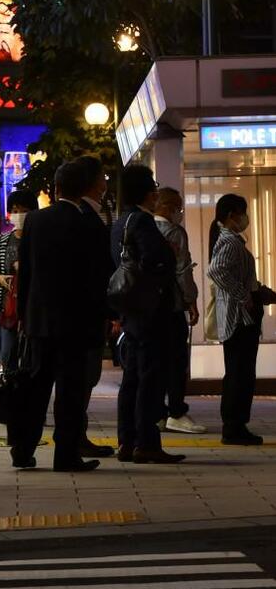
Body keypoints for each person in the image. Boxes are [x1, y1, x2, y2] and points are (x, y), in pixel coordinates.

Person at [8, 161, 103, 472]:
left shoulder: (35, 220)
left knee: (35, 388)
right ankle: (66, 455)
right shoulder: (90, 224)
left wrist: (24, 315)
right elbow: (96, 278)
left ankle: (23, 451)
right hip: (76, 323)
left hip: (39, 322)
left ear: (56, 188)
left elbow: (27, 274)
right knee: (70, 393)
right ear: (85, 188)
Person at [111, 164, 184, 465]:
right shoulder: (142, 221)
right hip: (150, 310)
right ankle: (147, 443)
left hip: (130, 308)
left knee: (132, 377)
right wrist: (167, 254)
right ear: (147, 191)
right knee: (150, 377)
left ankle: (126, 441)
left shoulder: (119, 222)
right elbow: (158, 260)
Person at [207, 194, 264, 446]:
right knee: (240, 373)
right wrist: (244, 297)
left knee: (238, 372)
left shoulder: (230, 240)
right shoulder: (230, 241)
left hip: (239, 315)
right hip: (239, 318)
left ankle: (235, 424)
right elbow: (216, 270)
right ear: (232, 215)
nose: (246, 218)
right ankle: (234, 426)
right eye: (244, 212)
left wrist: (258, 292)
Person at [154, 187, 204, 435]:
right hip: (172, 307)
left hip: (148, 308)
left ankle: (156, 413)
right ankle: (176, 411)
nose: (179, 212)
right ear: (165, 206)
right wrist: (191, 302)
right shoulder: (174, 232)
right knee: (176, 361)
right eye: (177, 206)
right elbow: (183, 270)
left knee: (155, 362)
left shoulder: (142, 228)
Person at [76, 156, 116, 459]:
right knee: (82, 379)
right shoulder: (90, 220)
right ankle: (75, 438)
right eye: (102, 177)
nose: (106, 182)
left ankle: (74, 437)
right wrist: (111, 313)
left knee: (76, 379)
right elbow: (101, 271)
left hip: (67, 316)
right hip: (86, 315)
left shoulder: (49, 219)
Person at [0, 189, 38, 376]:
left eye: (23, 210)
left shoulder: (39, 239)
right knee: (7, 355)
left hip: (34, 307)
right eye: (14, 210)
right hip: (8, 307)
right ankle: (9, 388)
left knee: (31, 356)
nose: (18, 215)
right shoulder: (4, 240)